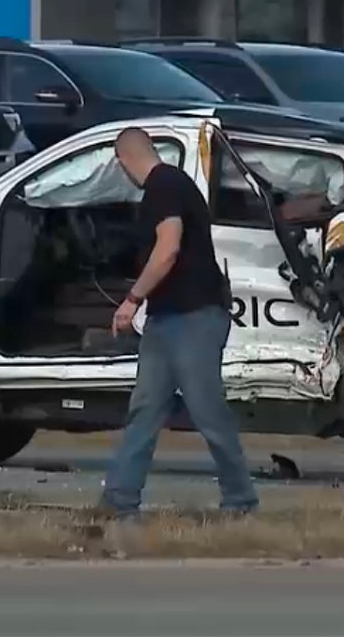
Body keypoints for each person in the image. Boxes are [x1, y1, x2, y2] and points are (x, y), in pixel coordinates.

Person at [97, 127, 259, 519]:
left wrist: (131, 299)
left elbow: (167, 248)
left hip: (195, 315)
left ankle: (241, 500)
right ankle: (120, 500)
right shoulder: (167, 185)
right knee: (146, 408)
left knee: (206, 409)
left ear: (123, 161)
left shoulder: (164, 185)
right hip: (166, 315)